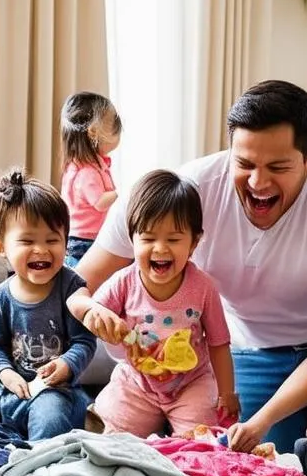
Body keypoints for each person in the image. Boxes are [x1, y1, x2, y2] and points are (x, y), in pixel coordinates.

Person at [73, 79, 307, 454]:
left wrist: (265, 417)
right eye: (245, 163)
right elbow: (78, 283)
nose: (258, 182)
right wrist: (90, 311)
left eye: (278, 167)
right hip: (252, 350)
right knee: (249, 453)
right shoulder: (187, 191)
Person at [67, 169, 239, 437]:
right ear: (132, 239)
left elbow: (218, 343)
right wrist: (93, 311)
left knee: (202, 441)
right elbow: (75, 302)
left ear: (194, 242)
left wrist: (227, 392)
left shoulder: (203, 287)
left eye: (173, 239)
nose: (160, 248)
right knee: (109, 434)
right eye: (148, 238)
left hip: (191, 384)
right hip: (137, 383)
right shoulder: (123, 281)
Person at [0, 170, 96, 440]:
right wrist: (7, 374)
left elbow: (85, 341)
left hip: (57, 390)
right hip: (13, 390)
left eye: (52, 240)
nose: (41, 250)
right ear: (1, 246)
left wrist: (67, 364)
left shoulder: (70, 288)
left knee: (51, 415)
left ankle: (39, 466)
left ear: (66, 242)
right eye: (27, 241)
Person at [59, 92, 121, 268]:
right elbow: (100, 202)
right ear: (93, 132)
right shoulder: (87, 172)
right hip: (85, 240)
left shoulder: (84, 166)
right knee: (84, 278)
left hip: (81, 237)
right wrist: (122, 193)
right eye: (114, 127)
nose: (118, 133)